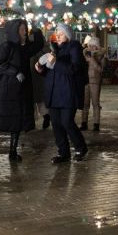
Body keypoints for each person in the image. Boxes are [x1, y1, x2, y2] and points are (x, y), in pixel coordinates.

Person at [0, 19, 44, 161]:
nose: (24, 32)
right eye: (22, 29)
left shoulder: (25, 47)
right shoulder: (7, 46)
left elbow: (38, 45)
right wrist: (14, 71)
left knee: (17, 120)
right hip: (6, 88)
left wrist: (36, 30)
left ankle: (13, 152)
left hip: (20, 89)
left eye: (25, 29)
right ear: (16, 31)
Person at [35, 23, 88, 163]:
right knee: (56, 123)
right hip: (54, 93)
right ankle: (63, 153)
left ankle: (81, 147)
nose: (57, 36)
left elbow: (74, 69)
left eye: (61, 33)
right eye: (56, 33)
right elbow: (52, 72)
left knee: (67, 122)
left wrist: (56, 62)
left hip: (68, 92)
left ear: (68, 35)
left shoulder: (74, 47)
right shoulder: (55, 50)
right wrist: (41, 70)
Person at [80, 36, 106, 131]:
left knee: (95, 103)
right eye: (89, 45)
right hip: (86, 81)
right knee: (85, 103)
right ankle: (84, 123)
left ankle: (96, 124)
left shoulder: (102, 56)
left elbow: (100, 70)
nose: (90, 47)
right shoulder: (85, 54)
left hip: (95, 81)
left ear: (96, 47)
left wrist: (92, 60)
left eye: (92, 45)